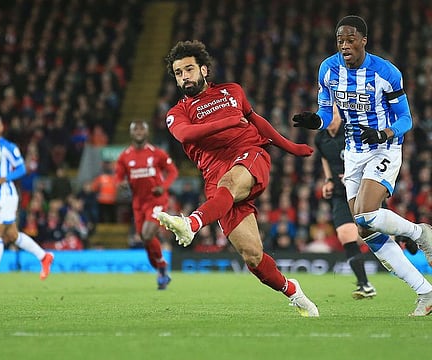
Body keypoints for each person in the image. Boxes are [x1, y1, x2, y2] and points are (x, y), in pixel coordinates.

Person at [158, 40, 319, 316]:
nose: (184, 77)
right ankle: (293, 291)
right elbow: (186, 135)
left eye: (189, 69)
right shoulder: (177, 113)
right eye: (178, 73)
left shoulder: (232, 91)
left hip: (248, 154)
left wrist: (290, 147)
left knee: (229, 184)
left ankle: (191, 223)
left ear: (204, 70)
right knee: (253, 256)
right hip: (216, 180)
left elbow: (256, 121)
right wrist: (230, 122)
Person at [292, 15, 432, 316]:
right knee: (365, 228)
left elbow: (406, 119)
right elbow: (327, 113)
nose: (345, 44)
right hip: (353, 153)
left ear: (363, 40)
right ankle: (425, 292)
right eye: (340, 39)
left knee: (366, 213)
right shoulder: (328, 70)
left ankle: (420, 233)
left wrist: (384, 132)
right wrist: (315, 121)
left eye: (351, 38)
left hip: (384, 147)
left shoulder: (387, 73)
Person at [0, 114, 54, 287]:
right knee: (12, 235)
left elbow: (22, 168)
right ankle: (44, 256)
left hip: (6, 195)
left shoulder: (7, 147)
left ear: (2, 128)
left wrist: (5, 178)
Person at [315, 104, 376, 299]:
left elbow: (369, 156)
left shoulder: (351, 132)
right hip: (340, 194)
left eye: (333, 113)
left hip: (363, 189)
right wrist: (329, 180)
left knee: (381, 230)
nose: (330, 117)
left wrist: (354, 175)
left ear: (341, 115)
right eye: (326, 114)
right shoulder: (320, 138)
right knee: (345, 234)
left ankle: (405, 236)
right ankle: (364, 284)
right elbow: (325, 159)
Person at [115, 120, 178, 290]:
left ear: (147, 132)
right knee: (145, 239)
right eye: (135, 128)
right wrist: (120, 183)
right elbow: (119, 176)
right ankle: (161, 267)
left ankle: (161, 267)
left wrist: (163, 187)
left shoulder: (157, 153)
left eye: (142, 128)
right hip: (138, 203)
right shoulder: (125, 156)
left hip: (156, 200)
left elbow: (173, 171)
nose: (139, 131)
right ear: (131, 133)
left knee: (147, 234)